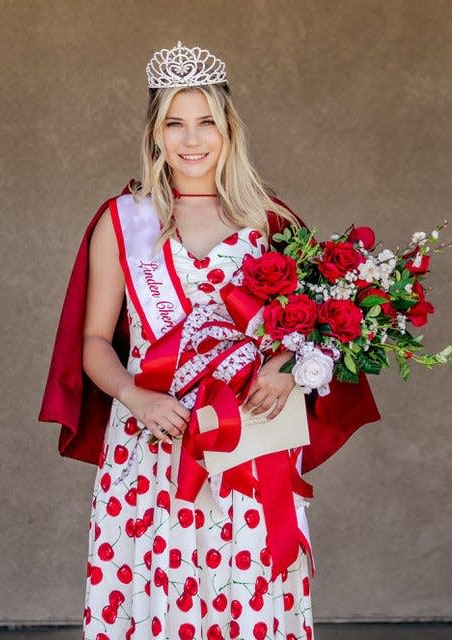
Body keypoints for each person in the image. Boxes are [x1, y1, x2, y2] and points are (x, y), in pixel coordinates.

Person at [39, 41, 380, 640]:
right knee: (154, 589)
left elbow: (309, 324)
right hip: (153, 436)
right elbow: (93, 340)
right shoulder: (124, 220)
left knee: (244, 585)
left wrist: (280, 368)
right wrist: (135, 397)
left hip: (248, 439)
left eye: (206, 123)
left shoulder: (269, 220)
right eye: (175, 123)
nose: (191, 140)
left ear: (229, 130)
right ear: (154, 133)